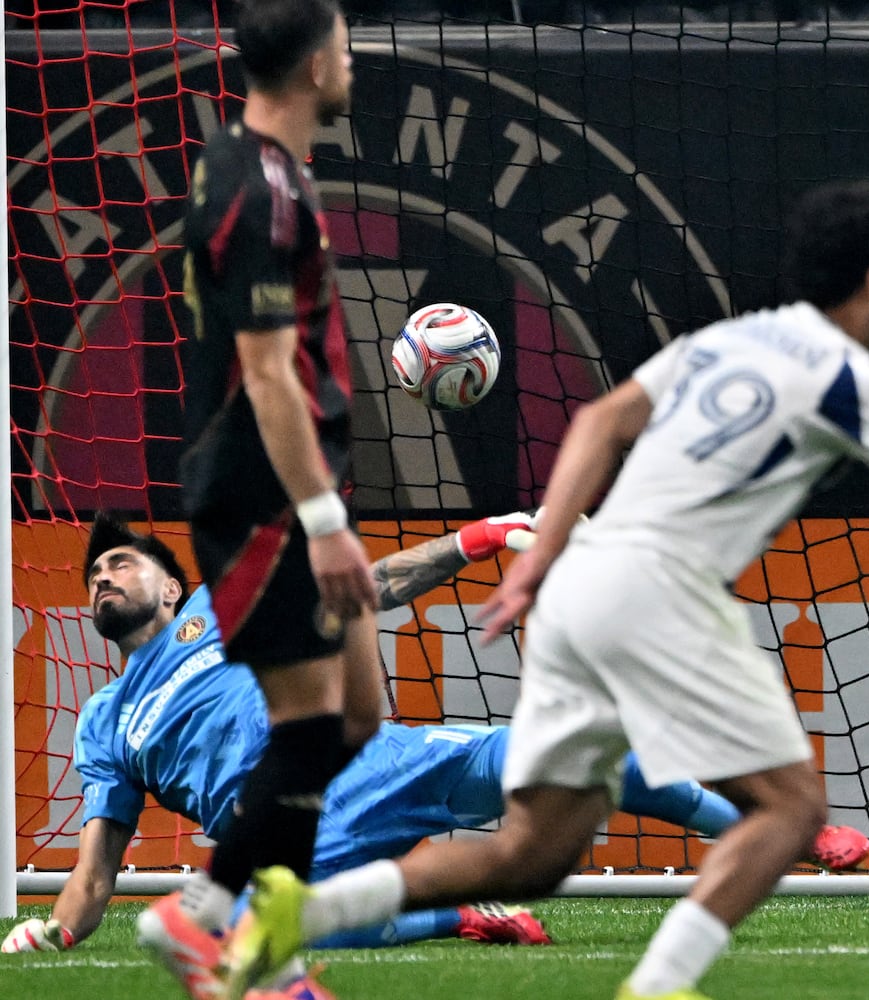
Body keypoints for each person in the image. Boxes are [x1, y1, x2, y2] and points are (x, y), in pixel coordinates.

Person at [217, 178, 869, 1000]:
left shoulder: (729, 341)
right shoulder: (857, 383)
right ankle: (660, 986)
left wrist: (537, 558)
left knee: (531, 856)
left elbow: (596, 424)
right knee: (792, 810)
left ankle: (296, 913)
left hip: (581, 588)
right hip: (659, 592)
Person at [0, 513, 869, 975]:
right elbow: (96, 870)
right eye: (93, 575)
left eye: (121, 563)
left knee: (585, 755)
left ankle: (781, 830)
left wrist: (472, 541)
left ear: (170, 582)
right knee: (278, 933)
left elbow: (366, 584)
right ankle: (461, 916)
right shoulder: (105, 721)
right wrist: (54, 933)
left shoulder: (214, 609)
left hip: (378, 759)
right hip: (289, 826)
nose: (103, 577)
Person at [142, 1, 379, 998]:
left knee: (358, 717)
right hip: (265, 496)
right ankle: (203, 923)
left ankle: (239, 940)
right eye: (349, 44)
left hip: (302, 484)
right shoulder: (254, 184)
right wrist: (322, 522)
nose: (354, 59)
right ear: (319, 60)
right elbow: (269, 373)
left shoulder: (272, 171)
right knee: (313, 726)